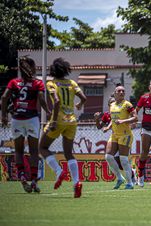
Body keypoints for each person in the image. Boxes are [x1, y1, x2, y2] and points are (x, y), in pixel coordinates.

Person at [1, 57, 51, 193]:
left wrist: (4, 115)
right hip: (32, 118)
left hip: (17, 119)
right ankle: (34, 180)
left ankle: (22, 176)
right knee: (34, 151)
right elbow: (41, 99)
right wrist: (48, 111)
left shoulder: (13, 82)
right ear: (33, 68)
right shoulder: (37, 83)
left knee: (18, 150)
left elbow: (4, 97)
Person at [39, 58, 87, 198]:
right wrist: (78, 105)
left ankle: (59, 171)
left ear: (53, 71)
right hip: (71, 121)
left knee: (42, 148)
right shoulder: (72, 83)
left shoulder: (51, 83)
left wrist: (53, 120)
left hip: (58, 120)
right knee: (69, 153)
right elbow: (84, 98)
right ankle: (77, 183)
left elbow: (57, 101)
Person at [103, 86, 138, 190]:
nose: (121, 92)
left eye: (123, 91)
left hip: (125, 134)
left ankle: (130, 183)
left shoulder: (127, 105)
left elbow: (136, 118)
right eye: (119, 91)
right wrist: (108, 127)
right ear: (115, 93)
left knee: (123, 159)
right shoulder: (112, 105)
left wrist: (123, 121)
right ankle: (119, 178)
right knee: (108, 157)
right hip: (114, 134)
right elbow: (113, 120)